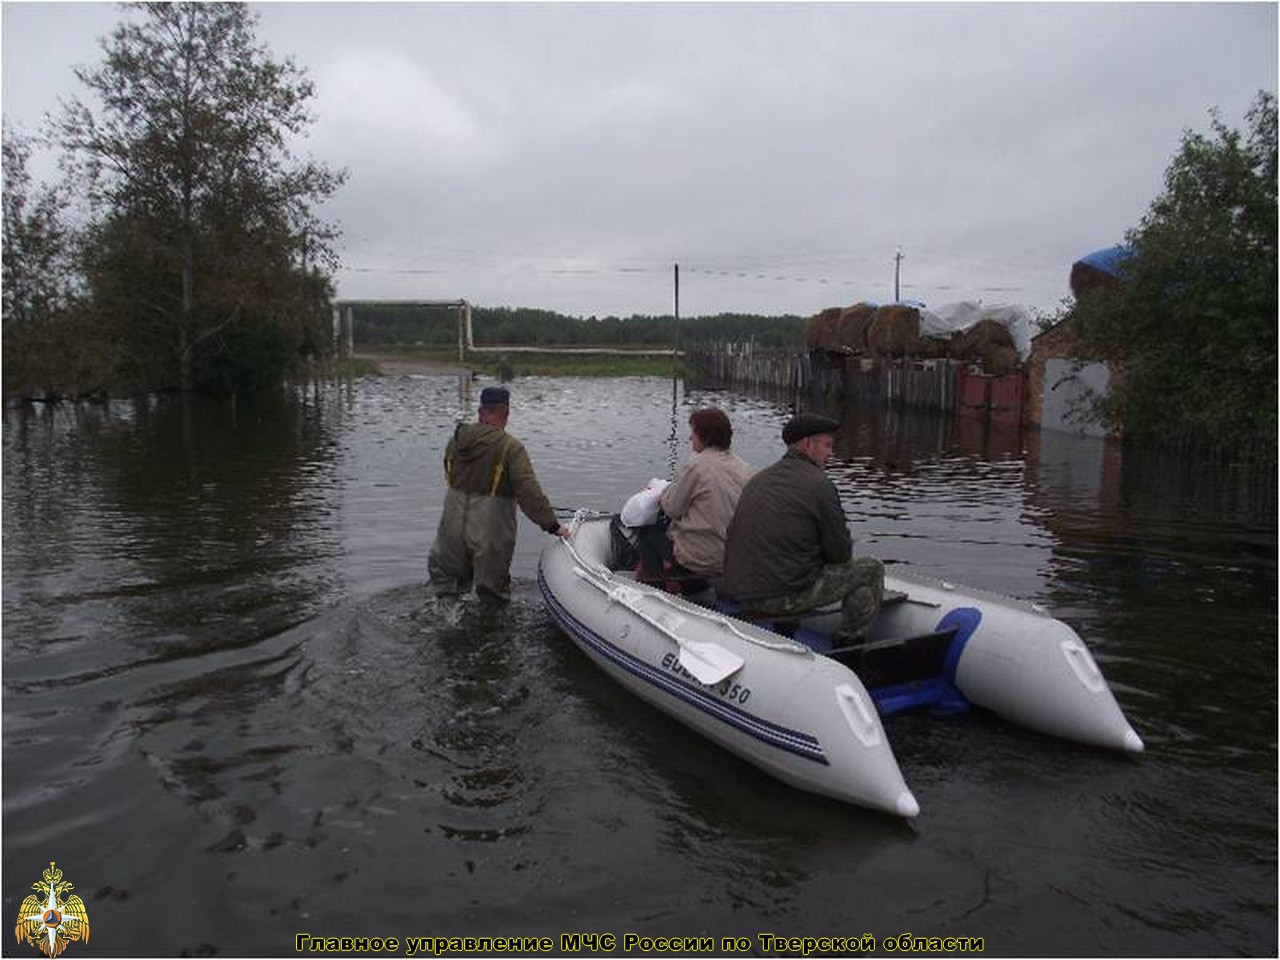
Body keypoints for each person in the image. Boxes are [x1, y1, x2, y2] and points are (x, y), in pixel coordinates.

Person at [720, 412, 884, 639]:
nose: (831, 454)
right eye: (827, 446)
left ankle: (786, 631)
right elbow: (840, 554)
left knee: (793, 562)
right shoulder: (820, 485)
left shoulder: (759, 480)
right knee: (871, 569)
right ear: (807, 443)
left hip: (742, 592)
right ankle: (850, 642)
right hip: (783, 599)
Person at [427, 385, 568, 601]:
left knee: (446, 594)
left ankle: (446, 629)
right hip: (488, 533)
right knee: (491, 597)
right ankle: (489, 633)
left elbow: (450, 474)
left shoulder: (455, 441)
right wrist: (552, 525)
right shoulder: (510, 447)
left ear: (480, 411)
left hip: (450, 528)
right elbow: (528, 491)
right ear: (506, 412)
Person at [630, 407, 752, 591]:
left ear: (704, 435)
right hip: (732, 557)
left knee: (647, 533)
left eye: (692, 432)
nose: (690, 438)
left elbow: (672, 508)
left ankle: (655, 589)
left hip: (702, 558)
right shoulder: (744, 468)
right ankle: (694, 587)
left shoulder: (697, 465)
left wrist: (664, 492)